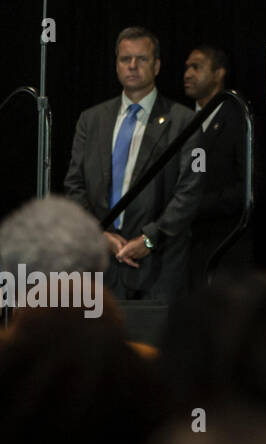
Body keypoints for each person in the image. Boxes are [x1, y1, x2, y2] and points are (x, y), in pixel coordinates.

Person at [63, 27, 203, 302]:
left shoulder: (184, 121)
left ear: (157, 65)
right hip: (100, 268)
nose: (132, 66)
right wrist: (98, 232)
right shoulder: (91, 121)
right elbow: (74, 184)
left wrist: (150, 238)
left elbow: (190, 190)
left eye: (142, 59)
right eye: (125, 59)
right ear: (116, 65)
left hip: (158, 267)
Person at [182, 45, 253, 288]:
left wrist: (196, 205)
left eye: (197, 67)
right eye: (187, 67)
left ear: (219, 73)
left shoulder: (240, 119)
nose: (188, 74)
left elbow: (248, 186)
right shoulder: (180, 121)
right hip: (184, 250)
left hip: (224, 248)